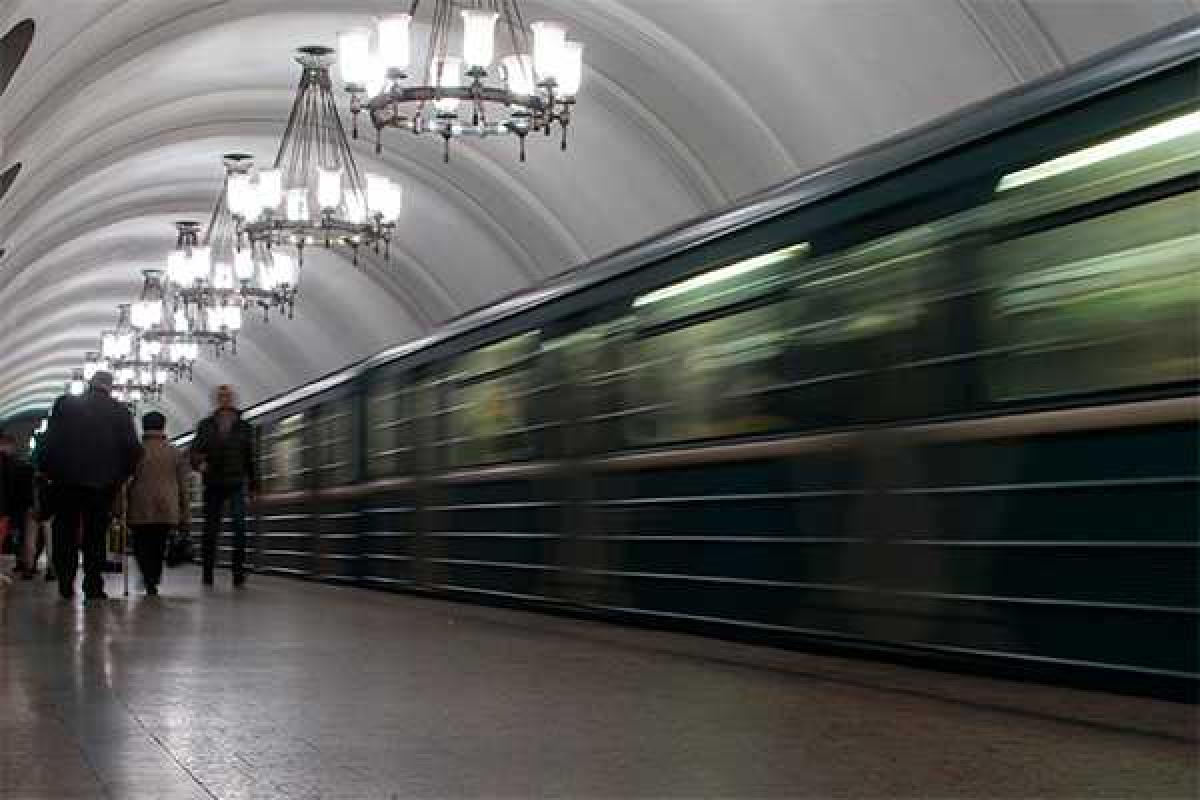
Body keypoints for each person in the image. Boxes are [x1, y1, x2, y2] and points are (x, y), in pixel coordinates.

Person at [40, 372, 142, 601]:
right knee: (95, 534)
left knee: (64, 529)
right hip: (102, 484)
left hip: (66, 480)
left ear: (89, 384)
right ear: (110, 387)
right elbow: (133, 450)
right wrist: (122, 475)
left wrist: (46, 468)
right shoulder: (120, 411)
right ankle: (93, 585)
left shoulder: (65, 405)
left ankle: (65, 582)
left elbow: (50, 440)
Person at [191, 385, 256, 587]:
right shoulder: (205, 426)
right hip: (213, 482)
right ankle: (208, 572)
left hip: (236, 481)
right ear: (217, 400)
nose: (225, 399)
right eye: (221, 396)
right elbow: (194, 452)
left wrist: (254, 484)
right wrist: (199, 464)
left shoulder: (245, 427)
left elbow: (250, 457)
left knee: (239, 528)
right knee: (210, 530)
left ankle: (238, 573)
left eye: (228, 396)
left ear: (232, 399)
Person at [125, 411, 190, 595]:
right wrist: (185, 513)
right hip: (167, 506)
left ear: (144, 427)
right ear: (163, 426)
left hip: (140, 505)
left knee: (141, 543)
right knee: (159, 543)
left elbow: (127, 482)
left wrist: (120, 505)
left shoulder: (135, 452)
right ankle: (153, 577)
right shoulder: (175, 452)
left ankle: (147, 575)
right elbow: (183, 485)